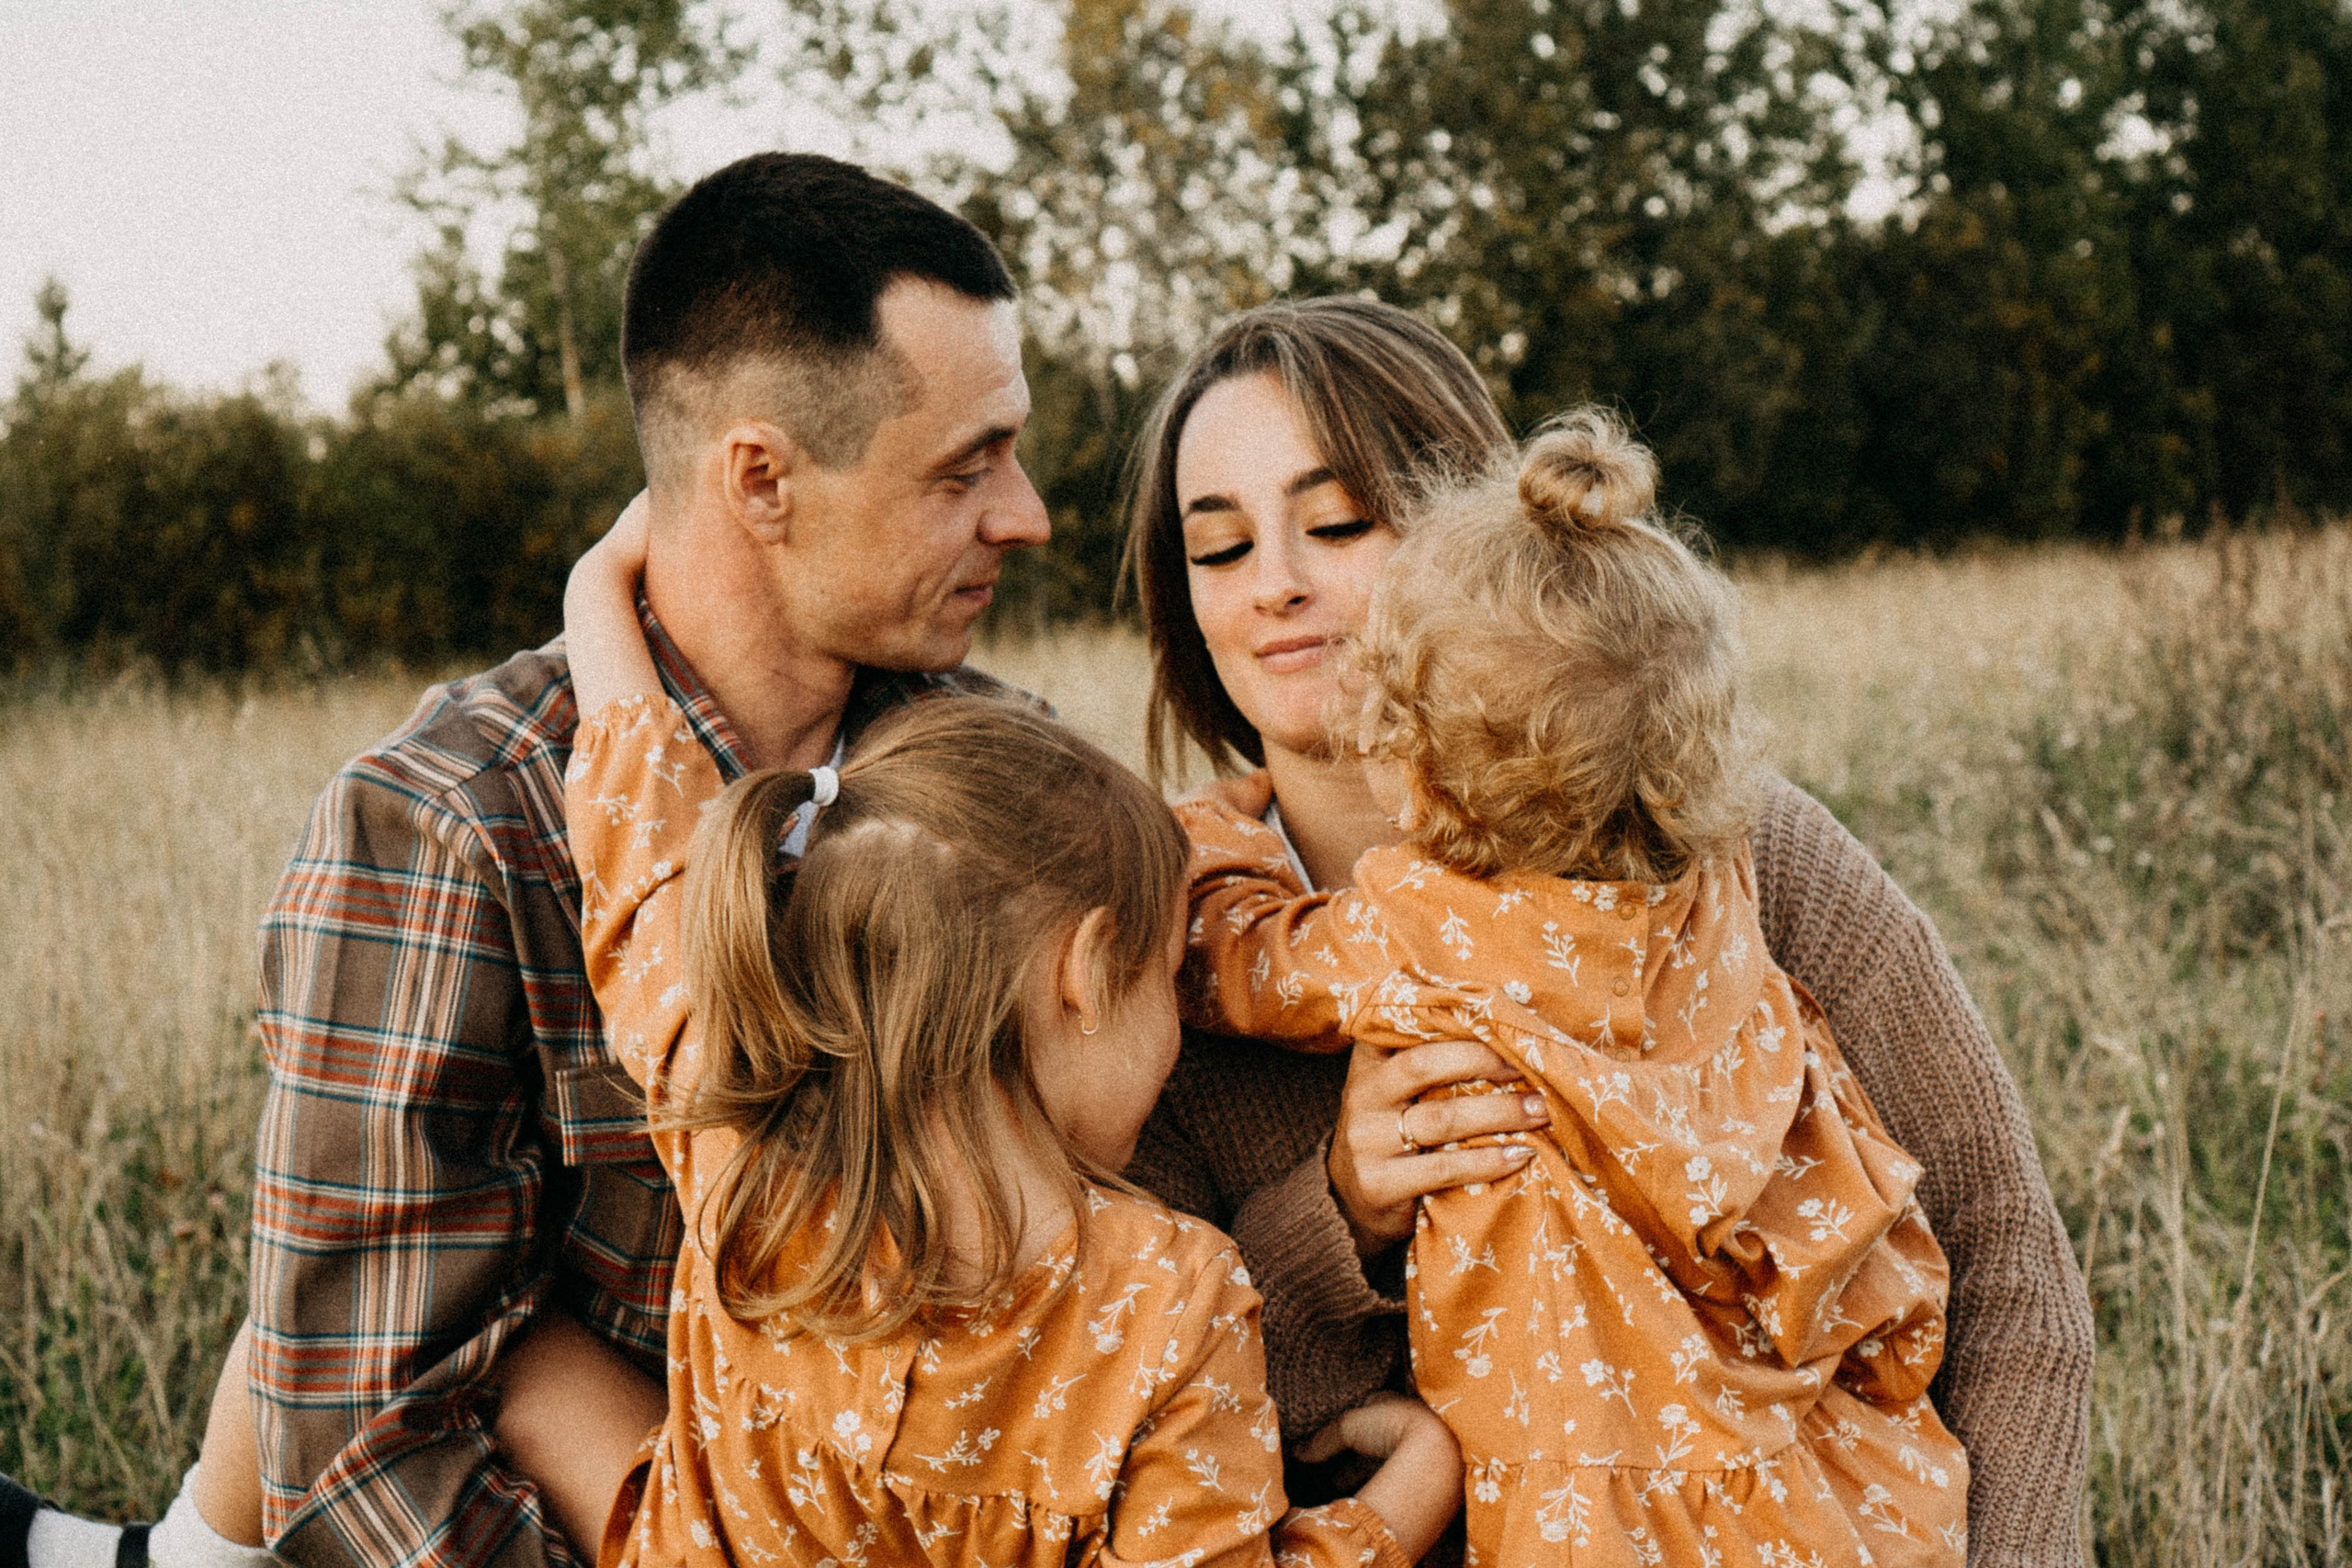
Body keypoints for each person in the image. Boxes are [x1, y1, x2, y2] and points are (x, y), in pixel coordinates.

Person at [0, 151, 1054, 1568]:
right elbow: (365, 1434)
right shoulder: (453, 823)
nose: (1028, 513)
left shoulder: (1002, 770)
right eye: (965, 466)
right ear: (761, 479)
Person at [1121, 298, 2095, 1565]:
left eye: (1340, 522)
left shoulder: (1731, 849)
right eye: (1221, 547)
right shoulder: (1141, 937)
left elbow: (2009, 1265)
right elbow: (1143, 1419)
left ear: (1482, 535)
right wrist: (1338, 1217)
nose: (1279, 586)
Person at [524, 505, 1462, 1567]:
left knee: (526, 1375)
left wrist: (596, 589)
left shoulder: (744, 1134)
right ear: (1085, 972)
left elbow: (646, 855)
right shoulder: (1169, 1305)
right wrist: (1409, 1494)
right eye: (1166, 984)